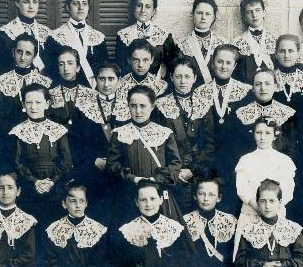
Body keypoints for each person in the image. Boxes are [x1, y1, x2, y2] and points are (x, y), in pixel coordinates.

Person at [47, 49, 111, 221]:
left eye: (70, 63)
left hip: (87, 160)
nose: (66, 68)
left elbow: (98, 135)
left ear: (78, 67)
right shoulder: (50, 95)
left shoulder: (92, 95)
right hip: (60, 158)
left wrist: (92, 158)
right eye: (61, 64)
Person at [105, 86, 184, 223]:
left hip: (158, 196)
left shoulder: (164, 133)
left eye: (143, 106)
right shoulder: (119, 133)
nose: (138, 111)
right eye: (133, 106)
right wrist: (132, 178)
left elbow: (175, 165)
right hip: (129, 197)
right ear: (128, 106)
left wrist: (157, 179)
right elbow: (111, 165)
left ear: (152, 107)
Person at [152, 56, 214, 211]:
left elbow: (210, 143)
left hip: (199, 171)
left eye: (187, 76)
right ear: (171, 77)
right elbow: (158, 144)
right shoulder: (161, 104)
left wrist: (193, 170)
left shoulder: (205, 104)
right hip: (171, 172)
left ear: (194, 78)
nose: (183, 81)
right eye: (178, 76)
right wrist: (174, 170)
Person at [40, 180, 108, 267]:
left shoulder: (97, 229)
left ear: (86, 203)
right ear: (64, 204)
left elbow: (97, 261)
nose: (78, 205)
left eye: (82, 201)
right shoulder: (54, 228)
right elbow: (50, 258)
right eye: (73, 201)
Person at [9, 83, 74, 226]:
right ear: (23, 104)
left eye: (38, 102)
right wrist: (35, 181)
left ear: (47, 104)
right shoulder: (18, 131)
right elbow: (17, 162)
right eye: (29, 102)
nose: (33, 107)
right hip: (29, 188)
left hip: (56, 186)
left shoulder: (58, 129)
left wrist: (52, 181)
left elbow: (67, 161)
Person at [200, 44, 253, 206]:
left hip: (236, 156)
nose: (223, 66)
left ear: (235, 66)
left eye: (228, 63)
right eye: (219, 61)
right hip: (209, 158)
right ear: (212, 63)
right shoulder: (201, 91)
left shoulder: (246, 91)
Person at [183, 178, 238, 267]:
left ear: (219, 198)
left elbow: (232, 255)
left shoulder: (229, 221)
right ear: (195, 195)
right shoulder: (185, 220)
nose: (206, 199)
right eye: (201, 194)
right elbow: (182, 255)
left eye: (211, 195)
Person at [234, 118, 297, 231]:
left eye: (267, 133)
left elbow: (288, 190)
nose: (262, 137)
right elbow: (242, 189)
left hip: (275, 215)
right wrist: (259, 208)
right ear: (253, 134)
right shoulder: (245, 160)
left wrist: (272, 208)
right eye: (258, 133)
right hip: (250, 215)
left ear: (275, 136)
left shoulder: (284, 160)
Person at [0, 33, 53, 135]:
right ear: (13, 52)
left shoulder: (45, 82)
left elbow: (49, 114)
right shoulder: (0, 82)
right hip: (8, 136)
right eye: (19, 52)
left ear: (34, 57)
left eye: (28, 53)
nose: (22, 57)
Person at [46, 0, 107, 85]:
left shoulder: (98, 37)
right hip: (65, 88)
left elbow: (103, 67)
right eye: (76, 3)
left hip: (93, 89)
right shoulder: (56, 36)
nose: (80, 8)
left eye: (84, 4)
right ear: (67, 7)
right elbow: (52, 69)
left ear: (88, 7)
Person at [236, 69, 298, 159]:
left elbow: (291, 148)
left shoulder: (287, 114)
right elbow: (238, 147)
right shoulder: (241, 114)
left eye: (267, 84)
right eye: (258, 84)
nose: (263, 88)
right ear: (253, 88)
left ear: (275, 87)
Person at [115, 0, 176, 78]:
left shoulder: (164, 35)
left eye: (148, 7)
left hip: (155, 85)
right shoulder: (123, 35)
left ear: (153, 11)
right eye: (139, 5)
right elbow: (119, 65)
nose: (143, 10)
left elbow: (172, 65)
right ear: (133, 8)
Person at [0, 0, 51, 73]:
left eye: (35, 2)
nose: (31, 6)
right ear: (17, 3)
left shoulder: (46, 32)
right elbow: (4, 66)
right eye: (26, 2)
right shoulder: (6, 32)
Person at [175, 0, 227, 83]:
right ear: (193, 14)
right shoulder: (181, 44)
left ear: (213, 17)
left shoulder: (223, 43)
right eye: (199, 13)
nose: (203, 17)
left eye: (208, 14)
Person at [232, 0, 277, 82]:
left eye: (257, 10)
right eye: (249, 12)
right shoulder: (237, 43)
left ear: (264, 13)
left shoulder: (275, 41)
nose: (254, 15)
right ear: (244, 17)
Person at [115, 39, 169, 106]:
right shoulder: (120, 85)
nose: (140, 65)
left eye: (145, 60)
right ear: (129, 60)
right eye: (136, 60)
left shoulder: (158, 86)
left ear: (151, 60)